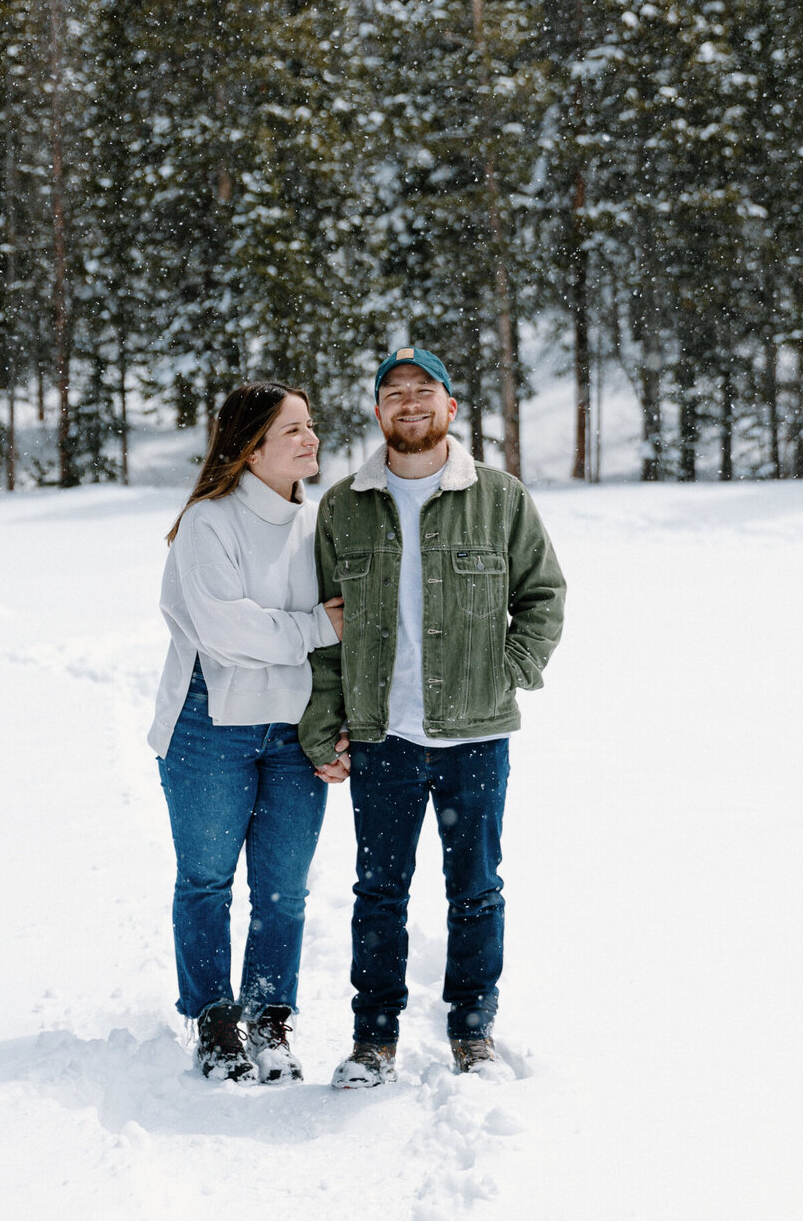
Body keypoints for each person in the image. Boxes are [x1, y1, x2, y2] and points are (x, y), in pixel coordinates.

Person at [298, 347, 566, 1087]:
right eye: (393, 391)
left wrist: (509, 671)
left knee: (476, 888)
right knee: (379, 892)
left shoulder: (499, 496)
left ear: (451, 409)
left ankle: (472, 1032)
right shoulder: (344, 506)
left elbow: (543, 596)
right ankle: (372, 1040)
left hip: (475, 737)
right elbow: (327, 628)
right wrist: (328, 720)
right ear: (378, 412)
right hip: (384, 735)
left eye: (425, 390)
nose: (408, 401)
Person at [149, 381, 345, 1085]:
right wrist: (320, 625)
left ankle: (269, 1020)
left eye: (310, 426)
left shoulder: (322, 522)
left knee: (284, 889)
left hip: (296, 730)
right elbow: (226, 634)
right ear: (251, 446)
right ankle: (215, 1023)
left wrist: (339, 722)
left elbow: (343, 639)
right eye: (292, 430)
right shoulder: (210, 522)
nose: (310, 439)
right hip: (210, 728)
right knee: (206, 882)